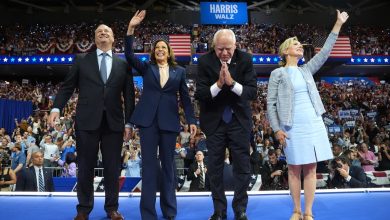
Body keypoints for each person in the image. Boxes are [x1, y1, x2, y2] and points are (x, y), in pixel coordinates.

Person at [266, 10, 349, 220]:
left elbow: (326, 52)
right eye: (295, 45)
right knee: (294, 168)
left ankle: (309, 212)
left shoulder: (306, 70)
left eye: (300, 45)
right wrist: (276, 129)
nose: (300, 46)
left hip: (313, 122)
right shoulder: (277, 73)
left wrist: (338, 24)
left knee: (311, 169)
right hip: (290, 126)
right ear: (286, 51)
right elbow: (270, 104)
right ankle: (296, 210)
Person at [48, 23, 135, 220]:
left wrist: (129, 123)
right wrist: (56, 108)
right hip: (87, 121)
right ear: (95, 39)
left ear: (113, 39)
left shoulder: (123, 64)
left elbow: (129, 96)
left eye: (107, 32)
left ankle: (112, 208)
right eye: (99, 32)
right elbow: (67, 87)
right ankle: (83, 209)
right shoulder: (81, 60)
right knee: (85, 166)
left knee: (112, 168)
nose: (103, 33)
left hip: (114, 123)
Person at [125, 10, 196, 220]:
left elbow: (185, 98)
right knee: (148, 168)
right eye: (157, 48)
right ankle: (148, 214)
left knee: (169, 168)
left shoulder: (179, 72)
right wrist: (131, 28)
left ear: (169, 51)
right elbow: (129, 55)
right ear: (153, 52)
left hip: (169, 123)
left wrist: (191, 120)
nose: (160, 50)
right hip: (147, 123)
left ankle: (169, 211)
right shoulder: (147, 68)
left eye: (164, 47)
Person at [195, 28, 257, 220]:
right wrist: (219, 85)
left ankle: (240, 209)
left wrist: (232, 83)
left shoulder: (245, 59)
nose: (224, 53)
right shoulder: (205, 61)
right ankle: (219, 211)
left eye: (228, 49)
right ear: (214, 47)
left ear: (235, 46)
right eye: (220, 49)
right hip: (214, 123)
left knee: (242, 168)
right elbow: (200, 94)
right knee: (215, 169)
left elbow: (252, 92)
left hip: (239, 122)